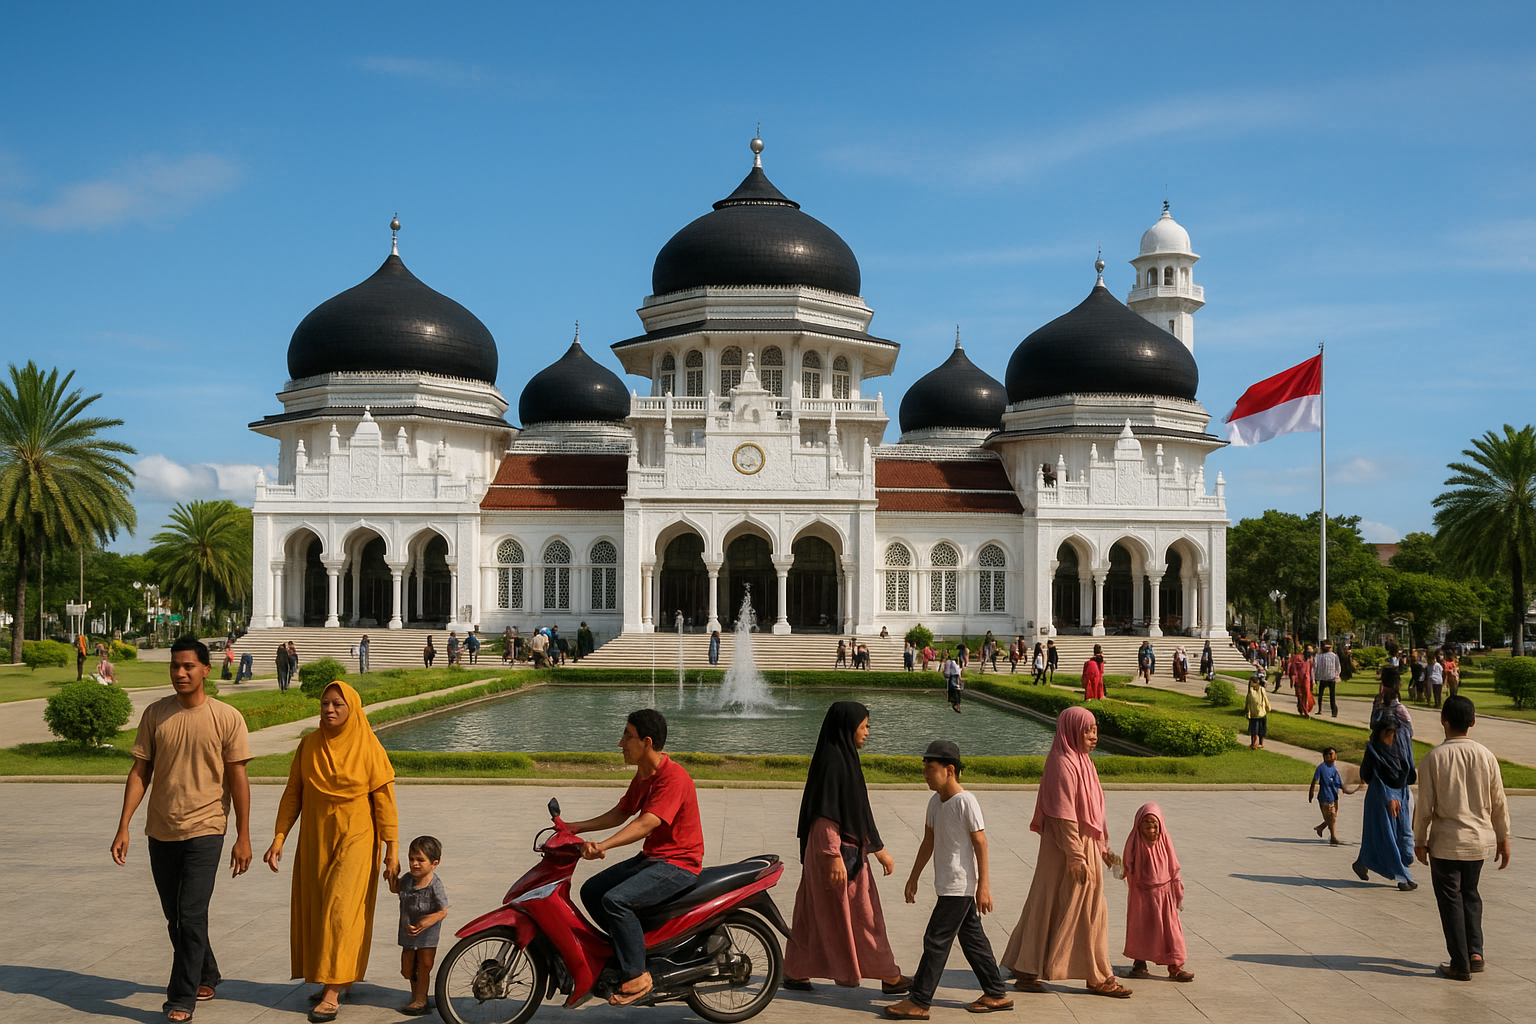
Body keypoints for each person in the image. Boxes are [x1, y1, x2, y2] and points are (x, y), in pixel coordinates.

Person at [111, 636, 253, 1023]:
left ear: (206, 669)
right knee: (175, 916)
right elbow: (141, 771)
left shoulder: (226, 717)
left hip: (207, 827)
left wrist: (243, 834)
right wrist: (123, 825)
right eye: (175, 666)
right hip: (161, 828)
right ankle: (206, 971)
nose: (180, 673)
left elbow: (238, 778)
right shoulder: (156, 714)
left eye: (189, 666)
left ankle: (181, 998)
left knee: (191, 914)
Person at [264, 681, 399, 1023]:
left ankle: (332, 991)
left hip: (356, 835)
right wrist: (280, 836)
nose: (329, 710)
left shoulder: (368, 747)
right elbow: (293, 792)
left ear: (351, 708)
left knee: (341, 910)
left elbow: (385, 803)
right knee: (320, 907)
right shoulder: (309, 745)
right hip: (316, 838)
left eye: (338, 704)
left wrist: (391, 849)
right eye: (325, 703)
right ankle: (336, 973)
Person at [569, 710, 704, 1006]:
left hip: (678, 865)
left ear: (646, 742)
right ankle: (633, 949)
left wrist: (603, 845)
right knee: (591, 891)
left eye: (627, 737)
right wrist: (576, 827)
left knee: (615, 900)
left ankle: (638, 975)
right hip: (654, 859)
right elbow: (622, 812)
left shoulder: (673, 778)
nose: (620, 743)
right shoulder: (645, 774)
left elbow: (646, 823)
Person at [1003, 706, 1130, 998]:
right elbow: (1063, 815)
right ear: (1071, 730)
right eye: (1087, 729)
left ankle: (1025, 966)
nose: (1093, 735)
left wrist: (1102, 848)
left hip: (1079, 844)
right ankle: (1096, 976)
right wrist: (1076, 855)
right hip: (1066, 845)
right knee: (1086, 908)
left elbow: (1094, 811)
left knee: (1048, 901)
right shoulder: (1062, 763)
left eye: (1095, 729)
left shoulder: (1083, 762)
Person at [785, 703, 909, 994]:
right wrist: (832, 856)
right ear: (847, 727)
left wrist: (879, 850)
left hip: (836, 849)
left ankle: (796, 970)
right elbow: (826, 813)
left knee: (814, 911)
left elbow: (856, 812)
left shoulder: (840, 757)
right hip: (835, 851)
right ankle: (888, 975)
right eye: (863, 726)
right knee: (863, 913)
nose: (867, 732)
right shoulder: (834, 762)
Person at [883, 740, 1011, 1019]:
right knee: (973, 940)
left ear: (949, 769)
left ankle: (919, 1000)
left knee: (936, 939)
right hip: (947, 885)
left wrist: (983, 886)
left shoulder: (966, 801)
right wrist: (913, 877)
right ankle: (996, 993)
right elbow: (928, 841)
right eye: (925, 769)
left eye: (931, 769)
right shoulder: (935, 802)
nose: (925, 774)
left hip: (960, 885)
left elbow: (981, 844)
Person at [1413, 696, 1512, 981]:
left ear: (1443, 720)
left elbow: (1425, 807)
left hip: (1446, 842)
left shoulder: (1434, 758)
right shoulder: (1486, 756)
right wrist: (1503, 838)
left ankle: (1459, 963)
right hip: (1478, 841)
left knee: (1451, 901)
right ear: (1472, 721)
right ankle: (1475, 953)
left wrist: (1419, 840)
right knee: (1471, 895)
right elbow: (1499, 802)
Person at [1121, 803, 1192, 982]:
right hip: (1141, 894)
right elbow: (1125, 865)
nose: (1151, 830)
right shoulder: (1134, 841)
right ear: (1138, 825)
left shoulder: (1165, 841)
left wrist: (1177, 887)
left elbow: (1174, 866)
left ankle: (1175, 966)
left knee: (1170, 930)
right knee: (1141, 928)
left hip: (1163, 892)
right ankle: (1139, 964)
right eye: (1147, 824)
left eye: (1155, 825)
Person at [1352, 719, 1418, 891]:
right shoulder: (1373, 751)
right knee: (1387, 837)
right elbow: (1367, 775)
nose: (1391, 736)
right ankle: (1403, 877)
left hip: (1401, 794)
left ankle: (1362, 862)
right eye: (1388, 732)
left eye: (1393, 733)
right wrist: (1388, 796)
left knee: (1404, 835)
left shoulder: (1400, 748)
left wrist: (1401, 793)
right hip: (1380, 797)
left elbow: (1408, 773)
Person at [390, 835, 449, 1015]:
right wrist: (391, 873)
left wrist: (428, 920)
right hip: (408, 933)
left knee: (424, 964)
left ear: (434, 863)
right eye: (411, 859)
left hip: (427, 935)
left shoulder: (434, 885)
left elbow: (443, 910)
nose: (415, 864)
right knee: (407, 969)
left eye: (420, 860)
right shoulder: (408, 879)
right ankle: (416, 993)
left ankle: (420, 998)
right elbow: (395, 888)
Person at [1309, 747, 1346, 845]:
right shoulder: (1321, 768)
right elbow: (1314, 781)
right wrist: (1311, 792)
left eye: (1332, 754)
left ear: (1336, 756)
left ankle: (1320, 828)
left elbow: (1338, 782)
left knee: (1332, 816)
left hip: (1334, 796)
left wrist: (1345, 789)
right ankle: (1333, 837)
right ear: (1324, 757)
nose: (1330, 757)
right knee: (1332, 817)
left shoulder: (1334, 768)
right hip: (1325, 797)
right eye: (1328, 755)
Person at [1313, 640, 1341, 718]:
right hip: (1330, 678)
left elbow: (1315, 667)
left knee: (1321, 695)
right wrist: (1337, 675)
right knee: (1331, 696)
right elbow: (1338, 667)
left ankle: (1321, 710)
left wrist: (1315, 677)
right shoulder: (1334, 656)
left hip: (1324, 678)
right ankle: (1333, 711)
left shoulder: (1319, 657)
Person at [1245, 672, 1271, 750]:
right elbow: (1248, 702)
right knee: (1256, 730)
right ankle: (1255, 743)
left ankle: (1257, 743)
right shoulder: (1253, 691)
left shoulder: (1258, 690)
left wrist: (1268, 706)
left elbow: (1265, 698)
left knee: (1258, 729)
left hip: (1258, 713)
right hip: (1257, 713)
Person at [1291, 646, 1315, 718]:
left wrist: (1312, 681)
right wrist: (1293, 679)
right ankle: (1302, 709)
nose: (1309, 655)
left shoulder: (1310, 661)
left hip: (1306, 680)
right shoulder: (1297, 659)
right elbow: (1293, 670)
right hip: (1298, 680)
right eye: (1308, 653)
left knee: (1306, 695)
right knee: (1300, 696)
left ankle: (1305, 710)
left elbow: (1311, 672)